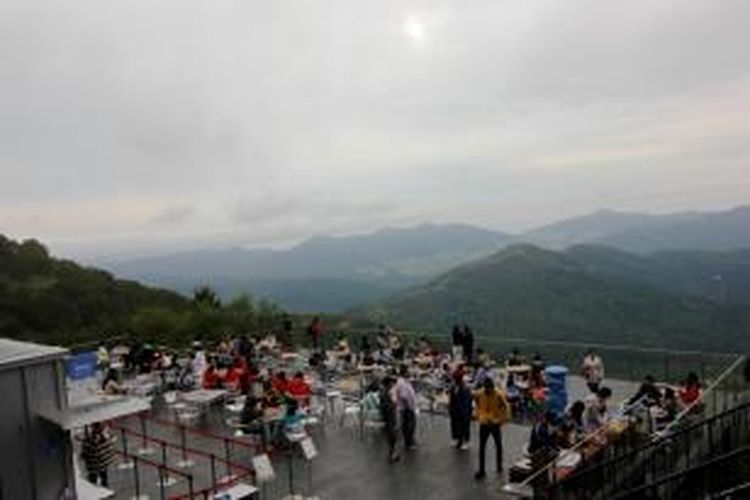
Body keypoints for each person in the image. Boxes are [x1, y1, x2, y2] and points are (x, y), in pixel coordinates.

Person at [473, 377, 511, 479]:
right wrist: (478, 414)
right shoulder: (480, 393)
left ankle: (499, 466)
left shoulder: (499, 394)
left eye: (489, 388)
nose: (487, 390)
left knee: (498, 445)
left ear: (492, 387)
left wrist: (501, 420)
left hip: (495, 424)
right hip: (484, 423)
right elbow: (476, 401)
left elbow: (506, 407)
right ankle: (481, 470)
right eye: (486, 388)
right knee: (482, 447)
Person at [81, 422, 116, 487]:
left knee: (93, 479)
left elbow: (86, 451)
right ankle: (105, 488)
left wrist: (84, 454)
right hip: (104, 462)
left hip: (93, 463)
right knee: (104, 477)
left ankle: (93, 490)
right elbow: (111, 443)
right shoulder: (105, 435)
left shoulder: (91, 438)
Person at [392, 365, 417, 450]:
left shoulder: (405, 381)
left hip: (408, 407)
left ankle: (410, 441)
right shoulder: (402, 383)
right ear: (405, 372)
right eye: (409, 371)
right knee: (409, 425)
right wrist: (409, 406)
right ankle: (409, 443)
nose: (410, 372)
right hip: (407, 408)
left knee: (409, 425)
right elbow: (404, 396)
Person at [449, 371, 473, 450]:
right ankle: (458, 440)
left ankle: (466, 442)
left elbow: (467, 402)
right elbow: (452, 399)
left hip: (463, 410)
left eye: (456, 378)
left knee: (465, 426)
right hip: (455, 410)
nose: (455, 380)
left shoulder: (465, 388)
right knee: (456, 426)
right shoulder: (453, 387)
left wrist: (465, 413)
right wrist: (451, 408)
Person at [380, 376, 400, 462]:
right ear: (388, 384)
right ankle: (391, 455)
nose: (393, 384)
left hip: (391, 417)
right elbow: (385, 407)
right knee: (392, 436)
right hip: (389, 417)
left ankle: (392, 453)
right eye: (391, 382)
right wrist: (394, 404)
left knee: (393, 435)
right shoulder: (384, 394)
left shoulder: (387, 393)